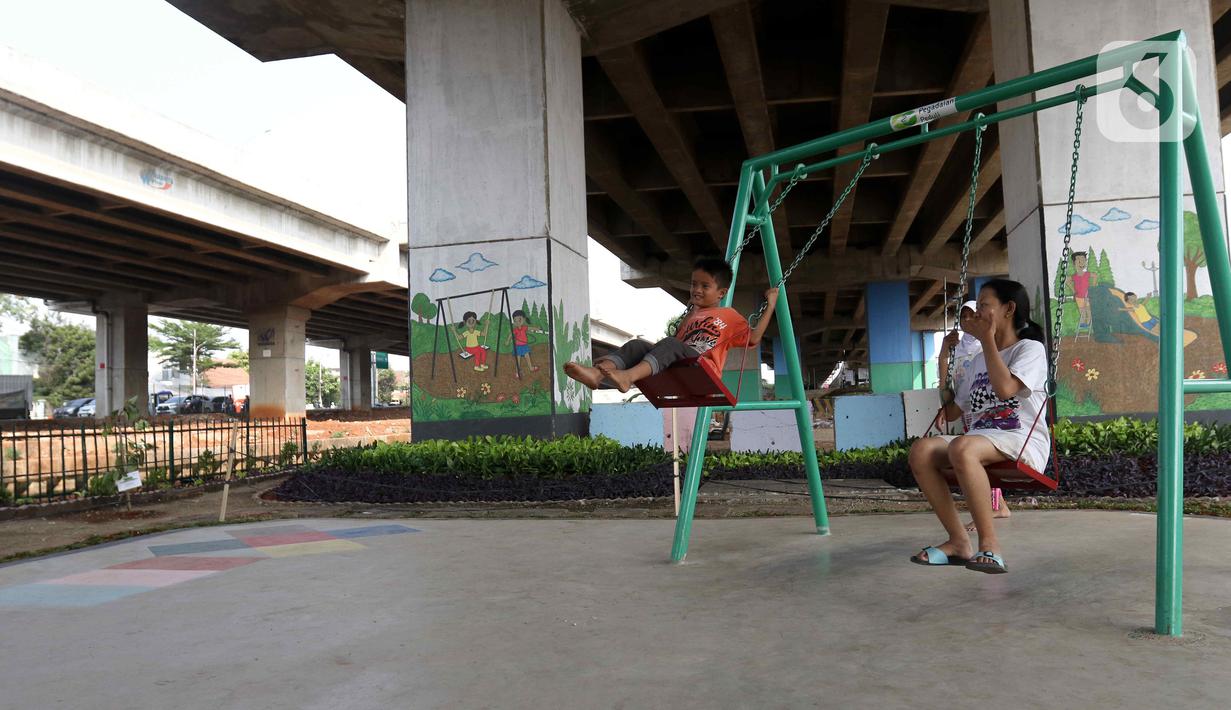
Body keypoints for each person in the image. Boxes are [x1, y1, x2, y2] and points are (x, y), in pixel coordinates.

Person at [909, 279, 1050, 574]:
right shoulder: (976, 362)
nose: (977, 313)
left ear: (1008, 309)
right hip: (980, 440)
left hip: (1020, 438)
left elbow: (1005, 390)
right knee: (921, 451)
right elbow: (952, 412)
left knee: (963, 447)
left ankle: (990, 546)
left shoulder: (1030, 350)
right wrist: (944, 358)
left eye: (984, 305)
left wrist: (987, 341)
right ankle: (959, 542)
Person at [564, 256, 778, 392]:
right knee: (637, 345)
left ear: (721, 293)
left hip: (703, 369)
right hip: (681, 365)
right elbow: (676, 344)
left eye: (705, 286)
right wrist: (690, 312)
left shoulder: (728, 315)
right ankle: (596, 375)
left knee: (671, 343)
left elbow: (754, 338)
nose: (697, 290)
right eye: (694, 284)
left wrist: (770, 305)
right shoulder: (692, 314)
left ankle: (627, 377)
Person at [942, 300, 1011, 533]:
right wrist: (943, 355)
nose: (968, 320)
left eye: (972, 315)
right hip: (965, 404)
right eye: (963, 316)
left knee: (975, 456)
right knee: (972, 457)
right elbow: (949, 380)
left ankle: (993, 508)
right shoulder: (957, 348)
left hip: (984, 405)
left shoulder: (985, 346)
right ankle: (998, 506)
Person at [509, 309, 545, 377]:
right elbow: (511, 334)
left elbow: (530, 328)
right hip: (518, 346)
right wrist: (508, 341)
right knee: (518, 359)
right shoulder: (515, 330)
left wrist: (536, 328)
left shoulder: (524, 328)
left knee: (527, 356)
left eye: (519, 320)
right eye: (515, 321)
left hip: (524, 345)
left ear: (524, 319)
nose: (517, 322)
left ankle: (531, 368)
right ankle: (517, 372)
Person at [1070, 251, 1096, 329]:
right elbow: (1067, 281)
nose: (1081, 263)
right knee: (1082, 311)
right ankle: (1083, 324)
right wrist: (1073, 290)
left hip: (1087, 296)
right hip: (1079, 297)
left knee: (1088, 310)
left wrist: (1093, 287)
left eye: (1083, 260)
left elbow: (1095, 276)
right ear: (1074, 263)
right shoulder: (1074, 276)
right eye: (1079, 261)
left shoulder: (1087, 274)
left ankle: (1088, 323)